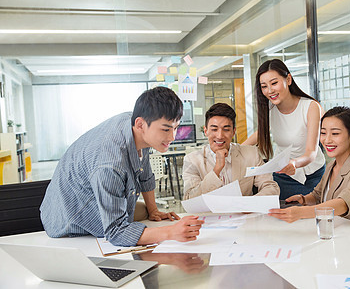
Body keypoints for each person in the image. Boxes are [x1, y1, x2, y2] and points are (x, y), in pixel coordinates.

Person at [40, 87, 204, 246]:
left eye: (176, 128)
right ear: (140, 124)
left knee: (145, 215)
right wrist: (171, 232)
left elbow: (145, 174)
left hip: (93, 198)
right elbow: (116, 232)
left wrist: (153, 210)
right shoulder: (110, 164)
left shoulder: (136, 125)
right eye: (165, 129)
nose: (172, 137)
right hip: (72, 219)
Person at [268, 106, 350, 227]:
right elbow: (317, 195)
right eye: (323, 133)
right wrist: (302, 199)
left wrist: (301, 212)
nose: (327, 140)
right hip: (334, 232)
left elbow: (343, 204)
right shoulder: (331, 166)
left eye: (335, 133)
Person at [243, 59, 325, 200]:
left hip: (312, 174)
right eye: (264, 86)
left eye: (274, 83)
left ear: (288, 79)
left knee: (308, 216)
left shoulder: (310, 107)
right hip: (283, 174)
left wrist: (295, 163)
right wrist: (234, 151)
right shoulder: (270, 109)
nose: (270, 91)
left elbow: (311, 153)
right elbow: (260, 134)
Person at [183, 103, 279, 199]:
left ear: (233, 132)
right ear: (206, 131)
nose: (220, 136)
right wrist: (216, 170)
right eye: (214, 129)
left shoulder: (251, 154)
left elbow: (271, 187)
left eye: (226, 129)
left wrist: (250, 204)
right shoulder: (192, 160)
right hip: (209, 213)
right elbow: (189, 198)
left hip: (244, 212)